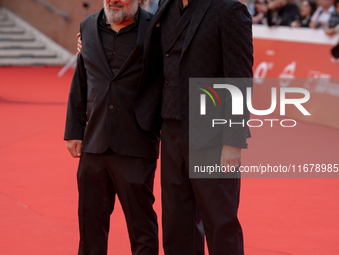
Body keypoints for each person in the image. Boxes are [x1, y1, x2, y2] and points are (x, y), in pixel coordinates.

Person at [77, 0, 253, 254]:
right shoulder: (165, 8)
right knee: (177, 221)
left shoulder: (228, 9)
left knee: (220, 221)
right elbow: (137, 37)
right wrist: (91, 38)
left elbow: (239, 77)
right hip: (170, 128)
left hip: (212, 132)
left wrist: (234, 140)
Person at [64, 0, 163, 254]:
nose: (114, 0)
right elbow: (81, 80)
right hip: (94, 142)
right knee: (90, 227)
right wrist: (75, 130)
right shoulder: (87, 26)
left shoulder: (156, 28)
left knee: (142, 228)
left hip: (136, 142)